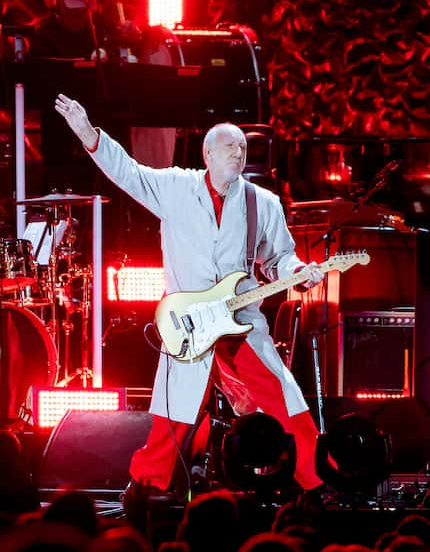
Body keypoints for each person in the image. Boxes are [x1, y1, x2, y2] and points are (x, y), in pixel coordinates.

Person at [54, 93, 326, 503]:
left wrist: (299, 274)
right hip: (189, 321)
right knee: (174, 415)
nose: (238, 152)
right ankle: (147, 488)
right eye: (230, 146)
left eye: (243, 147)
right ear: (208, 154)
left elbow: (279, 259)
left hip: (241, 320)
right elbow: (128, 172)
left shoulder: (262, 203)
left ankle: (320, 483)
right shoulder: (175, 187)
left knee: (283, 395)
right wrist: (91, 136)